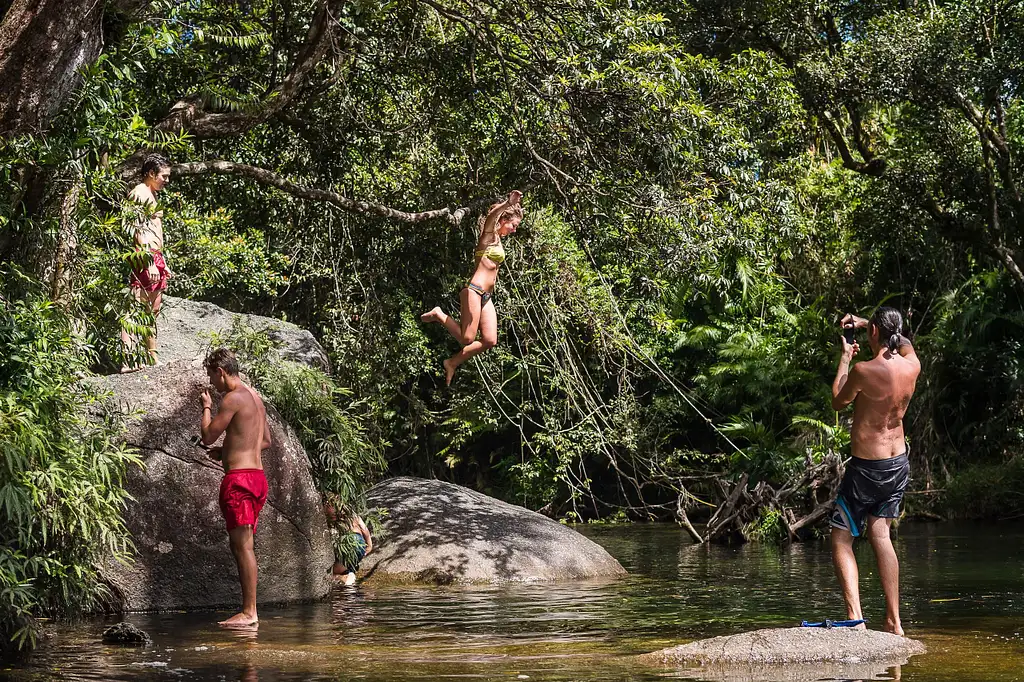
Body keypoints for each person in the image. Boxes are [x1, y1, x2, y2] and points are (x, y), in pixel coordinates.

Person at [829, 307, 921, 636]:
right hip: (898, 463)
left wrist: (844, 358)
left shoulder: (864, 370)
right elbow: (904, 341)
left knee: (841, 537)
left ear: (873, 335)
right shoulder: (912, 365)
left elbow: (838, 401)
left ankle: (856, 618)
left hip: (867, 467)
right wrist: (873, 325)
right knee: (880, 535)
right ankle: (894, 622)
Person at [200, 348, 273, 628]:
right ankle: (249, 610)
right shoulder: (255, 398)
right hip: (257, 478)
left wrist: (206, 406)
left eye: (211, 376)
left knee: (243, 548)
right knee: (243, 545)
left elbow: (207, 435)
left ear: (220, 372)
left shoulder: (232, 398)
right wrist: (228, 450)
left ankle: (249, 612)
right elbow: (265, 440)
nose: (213, 385)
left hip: (239, 481)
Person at [420, 191, 523, 385]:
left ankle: (452, 363)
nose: (514, 230)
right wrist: (507, 203)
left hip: (486, 297)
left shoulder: (498, 241)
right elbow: (492, 217)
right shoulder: (488, 236)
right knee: (467, 339)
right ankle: (439, 315)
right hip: (474, 291)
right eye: (513, 225)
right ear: (503, 219)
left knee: (490, 340)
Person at [121, 153, 172, 372]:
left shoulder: (151, 194)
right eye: (164, 176)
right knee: (135, 308)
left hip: (155, 255)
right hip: (145, 256)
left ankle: (152, 358)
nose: (166, 180)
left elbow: (154, 230)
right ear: (151, 174)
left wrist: (162, 260)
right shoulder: (139, 193)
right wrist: (148, 260)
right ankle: (127, 360)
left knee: (153, 310)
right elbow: (136, 229)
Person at [327, 509, 373, 586]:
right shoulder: (350, 511)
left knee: (328, 574)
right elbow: (364, 528)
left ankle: (342, 577)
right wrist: (369, 546)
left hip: (348, 542)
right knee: (345, 565)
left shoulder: (328, 509)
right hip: (360, 543)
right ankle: (348, 573)